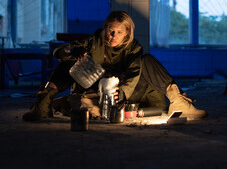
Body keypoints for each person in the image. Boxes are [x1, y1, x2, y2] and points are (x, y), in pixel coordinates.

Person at [22, 10, 207, 121]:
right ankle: (42, 104)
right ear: (105, 29)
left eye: (119, 32)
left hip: (124, 92)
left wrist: (124, 92)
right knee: (70, 60)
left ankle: (179, 102)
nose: (113, 36)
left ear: (127, 34)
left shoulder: (134, 48)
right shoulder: (94, 41)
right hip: (95, 87)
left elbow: (134, 73)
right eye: (111, 31)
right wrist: (70, 52)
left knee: (147, 60)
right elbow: (58, 53)